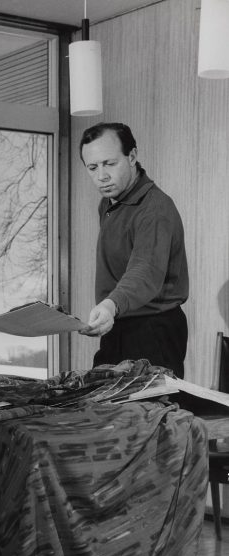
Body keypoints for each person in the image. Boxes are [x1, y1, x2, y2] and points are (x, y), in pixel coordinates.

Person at [79, 122, 189, 378]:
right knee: (99, 409)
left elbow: (145, 269)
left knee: (152, 415)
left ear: (132, 157)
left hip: (153, 331)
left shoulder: (155, 209)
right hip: (118, 322)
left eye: (110, 164)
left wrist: (109, 306)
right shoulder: (107, 203)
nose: (101, 176)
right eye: (92, 167)